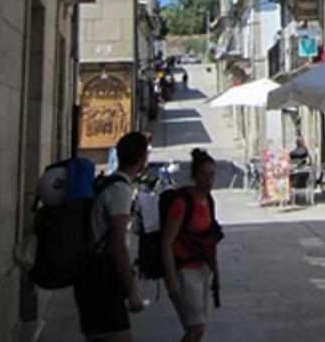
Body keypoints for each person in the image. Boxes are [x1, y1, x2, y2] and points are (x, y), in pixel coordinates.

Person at [73, 131, 149, 341]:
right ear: (142, 159)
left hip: (90, 273)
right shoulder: (120, 190)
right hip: (102, 277)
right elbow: (117, 243)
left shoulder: (107, 183)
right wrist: (131, 290)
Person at [162, 148, 223, 342]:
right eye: (204, 174)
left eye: (212, 174)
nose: (209, 179)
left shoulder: (209, 201)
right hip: (184, 272)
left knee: (197, 329)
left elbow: (210, 237)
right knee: (195, 329)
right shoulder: (182, 203)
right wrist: (171, 282)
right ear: (195, 175)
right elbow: (167, 242)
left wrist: (216, 271)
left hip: (202, 269)